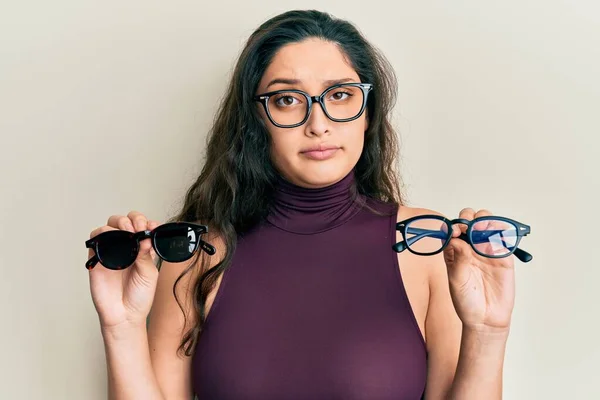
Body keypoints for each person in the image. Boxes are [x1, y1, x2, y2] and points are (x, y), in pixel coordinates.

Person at [87, 9, 516, 400]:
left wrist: (488, 332)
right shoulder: (194, 252)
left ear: (368, 110)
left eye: (341, 95)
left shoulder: (425, 242)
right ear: (255, 118)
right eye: (287, 99)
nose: (319, 124)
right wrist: (121, 327)